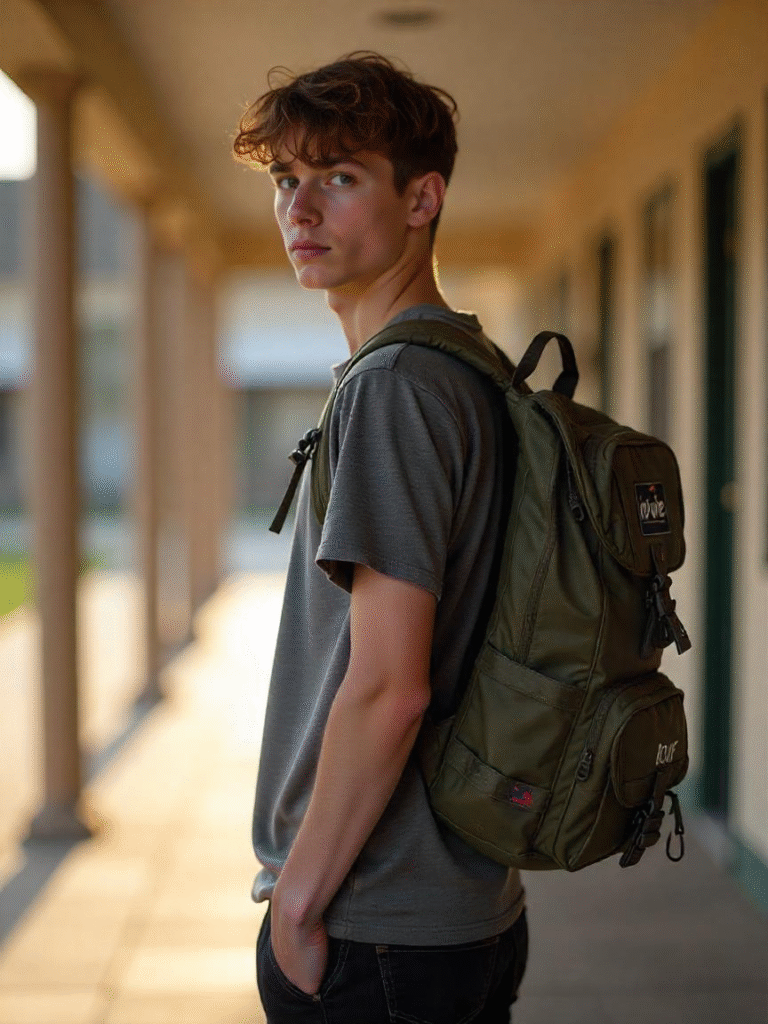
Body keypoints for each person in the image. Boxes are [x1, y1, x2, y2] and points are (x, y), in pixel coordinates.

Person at [233, 51, 528, 1023]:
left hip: (375, 920)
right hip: (461, 904)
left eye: (339, 178)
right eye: (286, 181)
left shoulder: (395, 387)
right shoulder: (469, 364)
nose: (300, 211)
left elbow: (390, 684)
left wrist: (301, 905)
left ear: (422, 197)